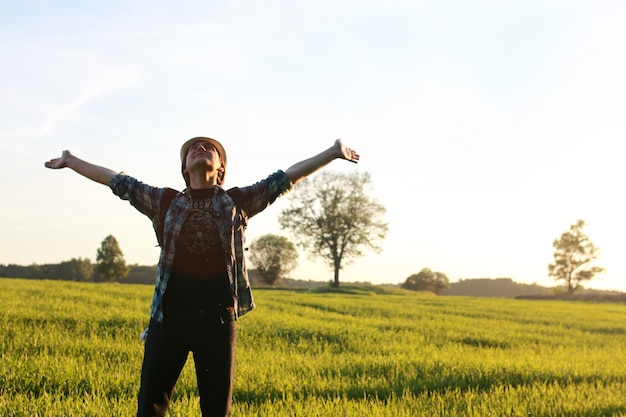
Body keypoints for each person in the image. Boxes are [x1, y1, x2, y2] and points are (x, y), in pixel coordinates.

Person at [45, 137, 359, 416]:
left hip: (219, 322)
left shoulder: (237, 201)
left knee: (216, 408)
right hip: (168, 320)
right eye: (193, 148)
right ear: (185, 168)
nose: (201, 148)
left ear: (220, 169)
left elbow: (285, 178)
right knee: (150, 405)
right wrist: (71, 160)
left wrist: (332, 152)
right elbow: (118, 181)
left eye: (210, 148)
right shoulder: (165, 201)